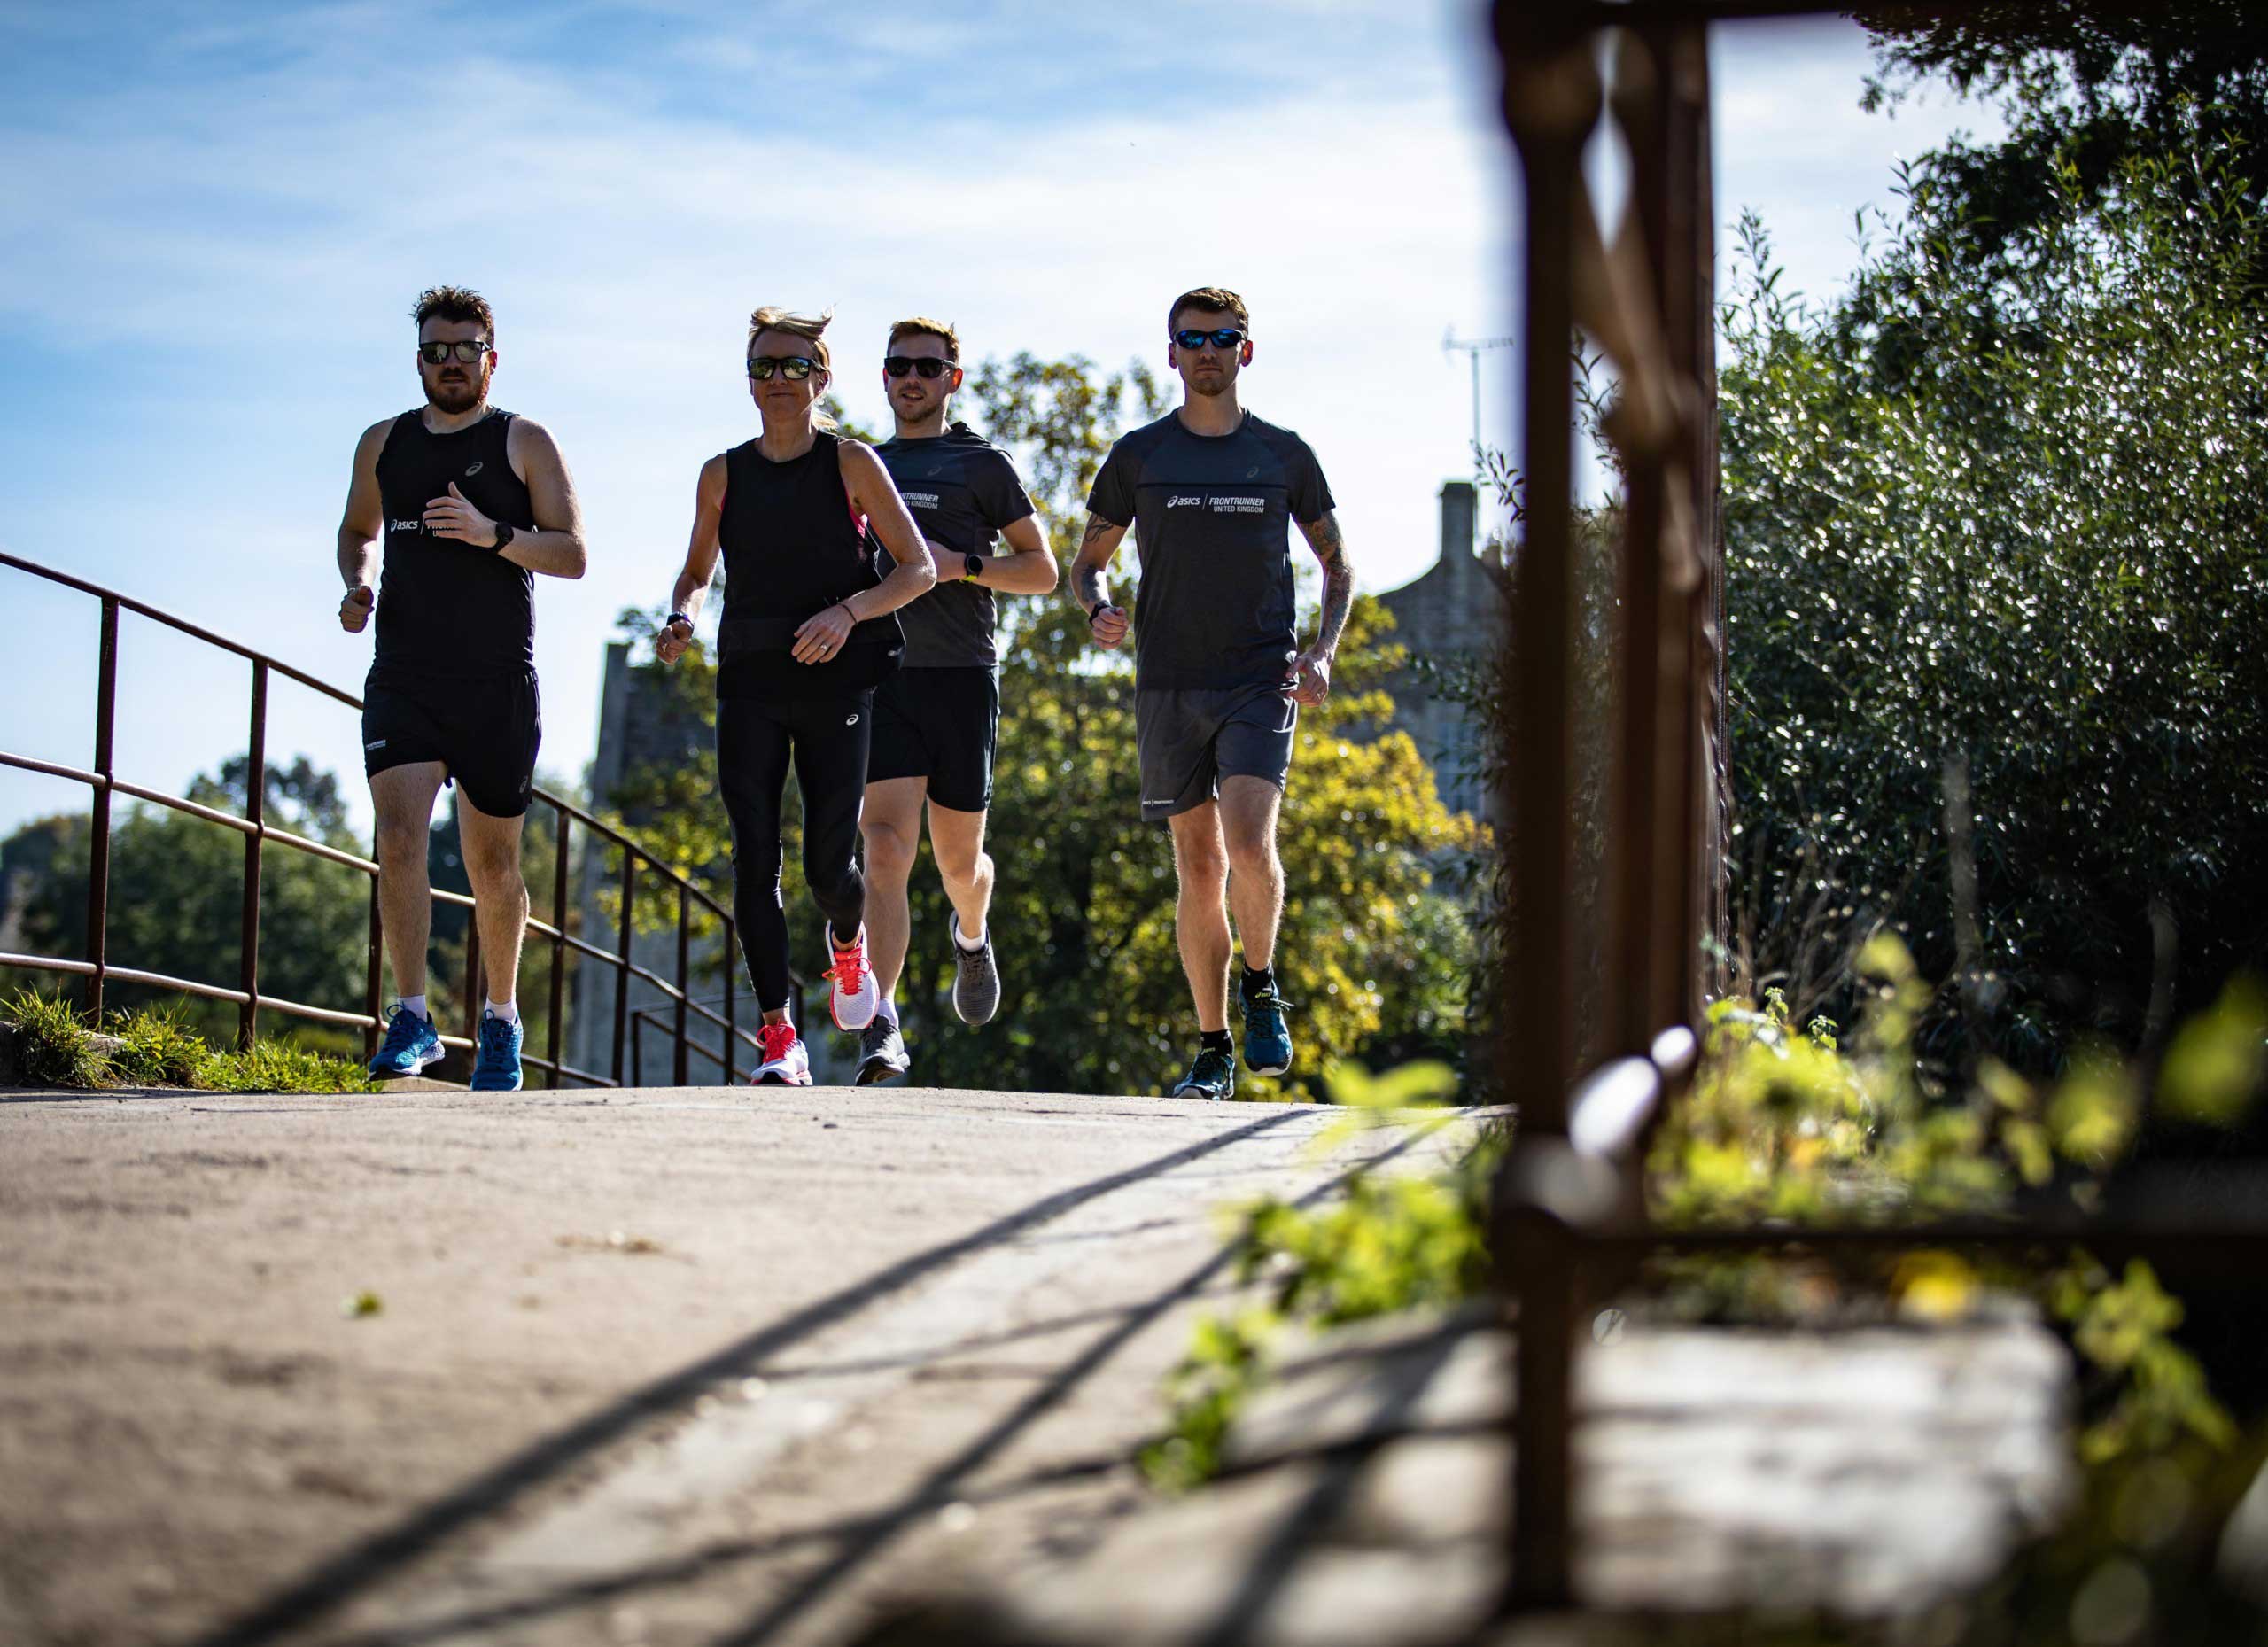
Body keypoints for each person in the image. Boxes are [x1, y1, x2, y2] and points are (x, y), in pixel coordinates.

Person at [1071, 286, 1353, 1102]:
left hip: (1258, 678)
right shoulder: (1140, 456)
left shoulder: (1283, 455)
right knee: (1198, 868)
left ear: (1245, 352)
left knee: (1249, 843)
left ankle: (1261, 984)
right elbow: (1087, 561)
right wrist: (1099, 606)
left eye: (1223, 338)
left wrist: (1323, 652)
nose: (1207, 350)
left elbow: (1338, 562)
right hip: (1166, 682)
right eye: (1192, 339)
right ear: (1171, 354)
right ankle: (1211, 1048)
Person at [655, 307, 937, 1086]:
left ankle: (849, 947)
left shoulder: (850, 464)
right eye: (763, 367)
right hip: (748, 676)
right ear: (749, 382)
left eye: (792, 365)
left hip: (835, 680)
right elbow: (697, 571)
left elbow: (917, 569)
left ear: (821, 375)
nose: (777, 380)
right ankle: (780, 1036)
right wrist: (682, 612)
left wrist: (848, 613)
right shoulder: (723, 473)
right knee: (754, 861)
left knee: (825, 866)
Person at [338, 284, 587, 1092]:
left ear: (492, 357)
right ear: (419, 360)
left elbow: (573, 553)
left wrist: (493, 535)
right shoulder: (383, 441)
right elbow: (356, 530)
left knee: (493, 865)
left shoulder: (524, 440)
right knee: (400, 836)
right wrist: (358, 582)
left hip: (496, 682)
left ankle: (501, 1020)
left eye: (465, 350)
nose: (451, 364)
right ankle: (411, 1015)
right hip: (405, 675)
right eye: (436, 351)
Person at [854, 317, 1056, 1085]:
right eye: (901, 366)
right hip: (884, 674)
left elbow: (1039, 569)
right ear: (883, 376)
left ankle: (971, 934)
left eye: (930, 367)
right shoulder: (859, 464)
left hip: (963, 675)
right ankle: (883, 1023)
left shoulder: (981, 464)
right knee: (883, 850)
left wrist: (960, 564)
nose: (914, 378)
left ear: (953, 379)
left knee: (958, 864)